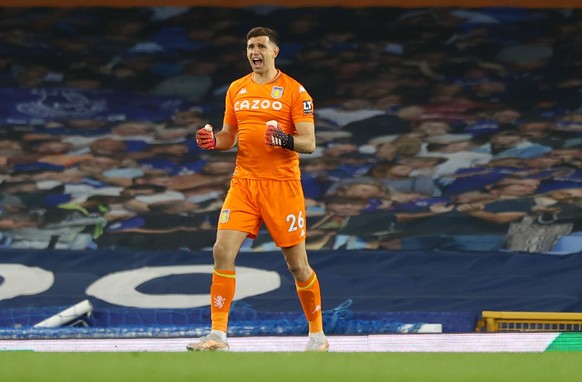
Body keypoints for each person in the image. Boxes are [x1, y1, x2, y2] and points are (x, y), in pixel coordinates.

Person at [186, 27, 328, 352]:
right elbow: (228, 136)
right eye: (250, 46)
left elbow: (309, 143)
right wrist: (213, 142)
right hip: (244, 184)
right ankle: (217, 336)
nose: (255, 51)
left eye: (261, 46)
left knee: (297, 265)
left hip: (282, 187)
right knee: (222, 251)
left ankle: (318, 335)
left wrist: (284, 140)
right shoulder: (236, 89)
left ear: (275, 51)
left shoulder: (295, 92)